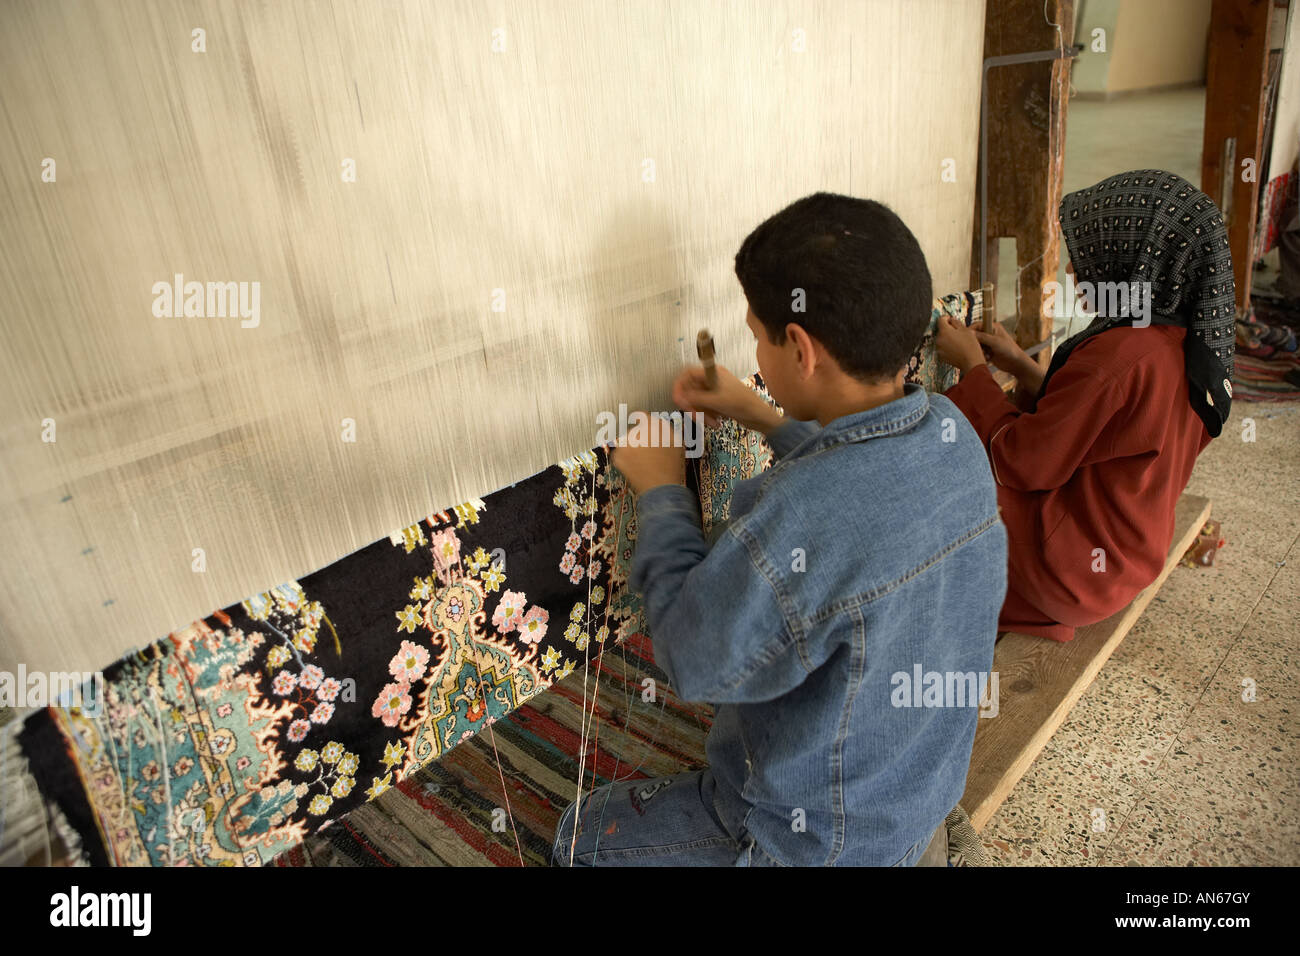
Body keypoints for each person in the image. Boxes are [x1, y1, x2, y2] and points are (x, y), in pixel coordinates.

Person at [551, 192, 1007, 866]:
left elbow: (692, 657)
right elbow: (862, 484)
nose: (755, 357)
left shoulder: (796, 519)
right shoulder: (952, 432)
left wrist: (662, 489)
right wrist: (758, 414)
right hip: (914, 802)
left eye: (758, 336)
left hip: (804, 843)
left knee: (578, 836)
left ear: (799, 348)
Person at [935, 169, 1235, 641]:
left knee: (936, 473)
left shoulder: (1121, 355)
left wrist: (973, 372)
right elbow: (1098, 423)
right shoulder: (1180, 344)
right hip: (1121, 566)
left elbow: (1022, 459)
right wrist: (1019, 364)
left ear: (1131, 259)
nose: (1072, 272)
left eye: (1087, 256)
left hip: (1069, 573)